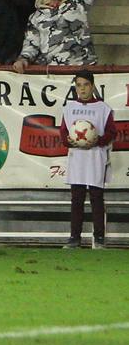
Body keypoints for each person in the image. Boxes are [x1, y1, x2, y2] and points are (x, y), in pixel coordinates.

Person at [60, 71, 115, 249]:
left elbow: (111, 133)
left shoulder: (103, 108)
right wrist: (67, 140)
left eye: (85, 85)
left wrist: (97, 140)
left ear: (92, 86)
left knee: (97, 198)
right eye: (78, 85)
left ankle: (99, 238)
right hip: (77, 158)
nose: (82, 89)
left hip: (95, 157)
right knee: (77, 199)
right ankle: (74, 238)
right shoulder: (68, 108)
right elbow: (63, 133)